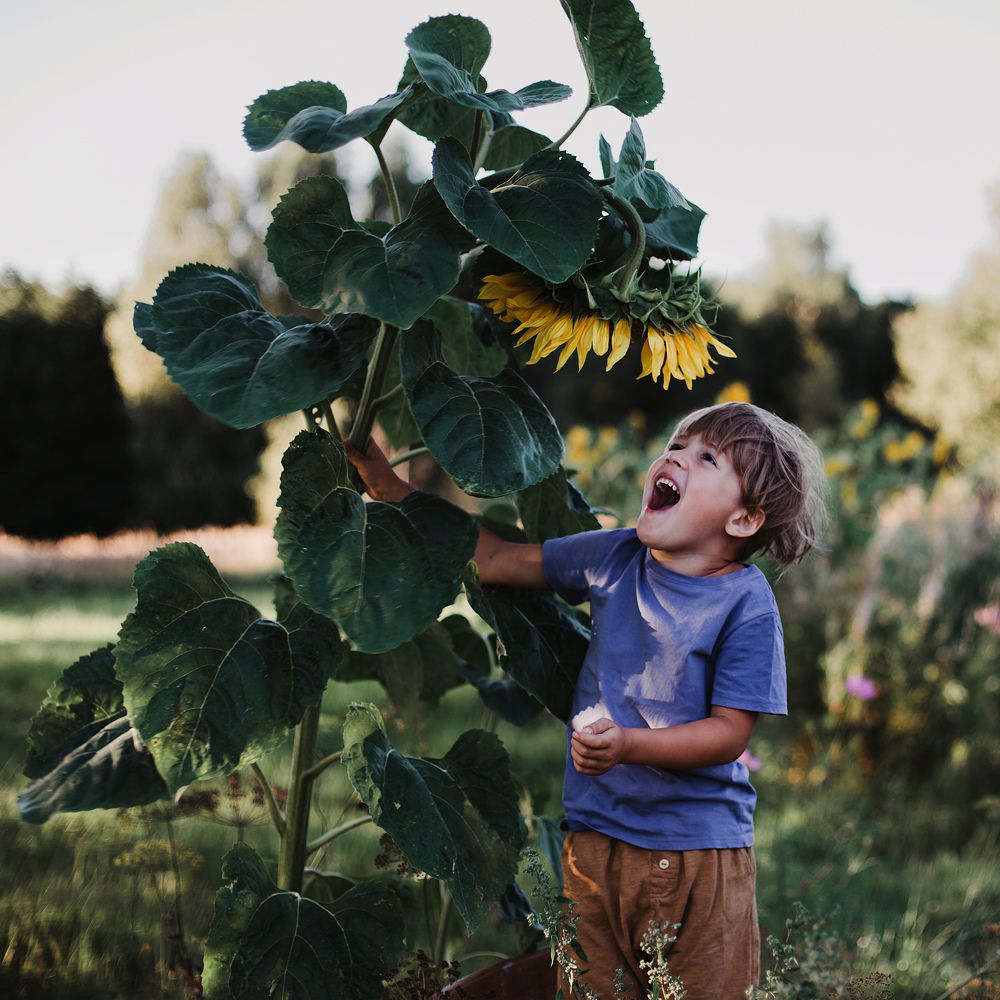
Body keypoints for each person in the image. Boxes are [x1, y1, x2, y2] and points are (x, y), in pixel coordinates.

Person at [345, 401, 826, 999]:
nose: (676, 457)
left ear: (745, 520)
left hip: (698, 856)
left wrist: (629, 745)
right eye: (678, 445)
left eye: (708, 458)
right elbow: (493, 560)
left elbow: (729, 734)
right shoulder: (613, 556)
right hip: (593, 842)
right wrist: (394, 489)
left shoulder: (745, 604)